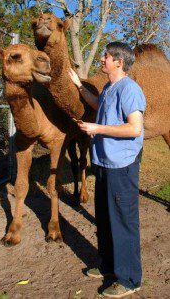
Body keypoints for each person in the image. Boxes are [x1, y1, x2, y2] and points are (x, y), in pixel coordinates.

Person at [69, 42, 146, 298]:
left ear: (119, 62)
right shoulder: (108, 88)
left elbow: (134, 128)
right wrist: (78, 85)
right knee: (105, 218)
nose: (102, 59)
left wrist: (97, 129)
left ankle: (130, 279)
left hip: (121, 166)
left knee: (123, 221)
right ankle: (109, 266)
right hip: (103, 162)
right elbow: (97, 103)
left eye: (106, 56)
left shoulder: (130, 89)